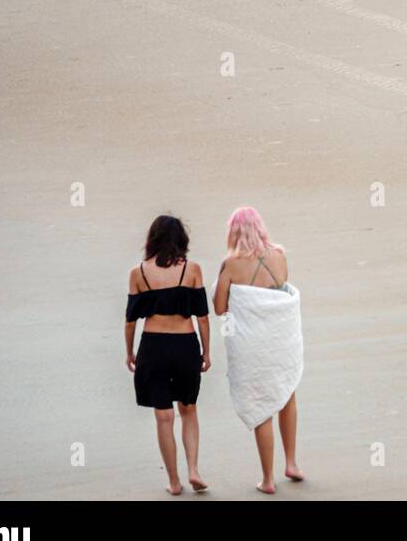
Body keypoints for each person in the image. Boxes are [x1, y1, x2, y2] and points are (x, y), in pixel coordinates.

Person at [214, 207, 304, 494]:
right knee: (286, 393)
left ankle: (268, 479)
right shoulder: (279, 255)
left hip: (253, 345)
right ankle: (291, 463)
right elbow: (278, 296)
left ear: (234, 232)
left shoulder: (231, 264)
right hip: (281, 339)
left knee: (261, 405)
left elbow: (219, 307)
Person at [125, 215, 211, 495]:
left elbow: (130, 321)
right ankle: (194, 470)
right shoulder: (193, 269)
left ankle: (174, 482)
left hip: (153, 347)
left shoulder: (138, 272)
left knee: (164, 417)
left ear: (152, 239)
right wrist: (206, 352)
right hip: (185, 345)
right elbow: (203, 318)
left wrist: (130, 352)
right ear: (181, 240)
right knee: (188, 410)